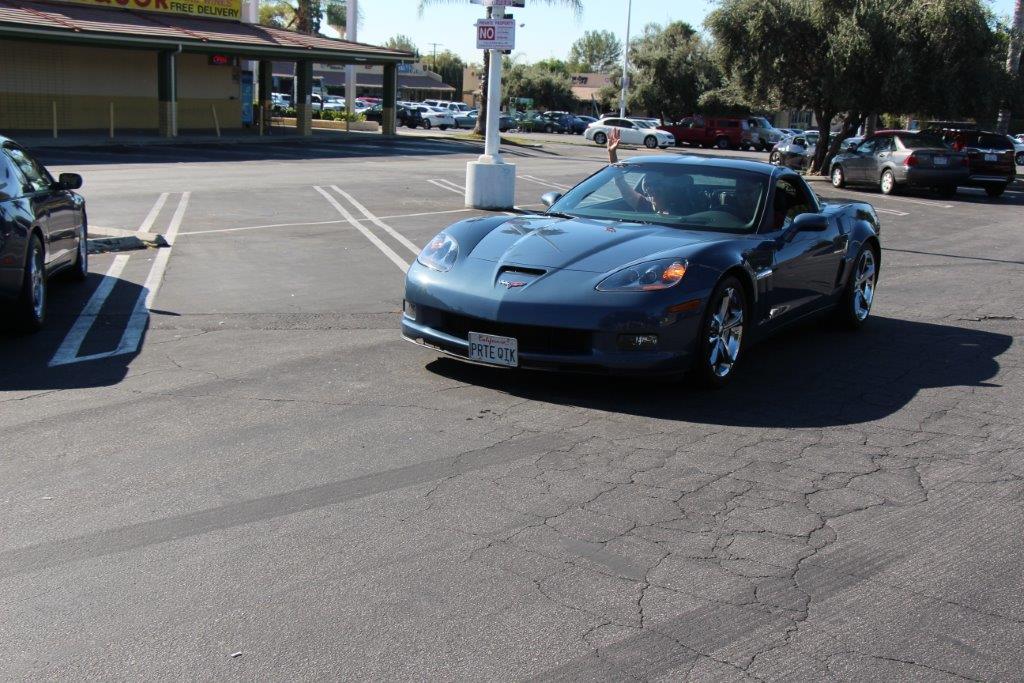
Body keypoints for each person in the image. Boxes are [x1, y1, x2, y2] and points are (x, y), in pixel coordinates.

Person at [606, 128, 698, 215]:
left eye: (657, 185)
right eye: (647, 185)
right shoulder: (644, 206)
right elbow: (620, 182)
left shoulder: (684, 213)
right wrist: (612, 153)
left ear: (668, 189)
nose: (651, 189)